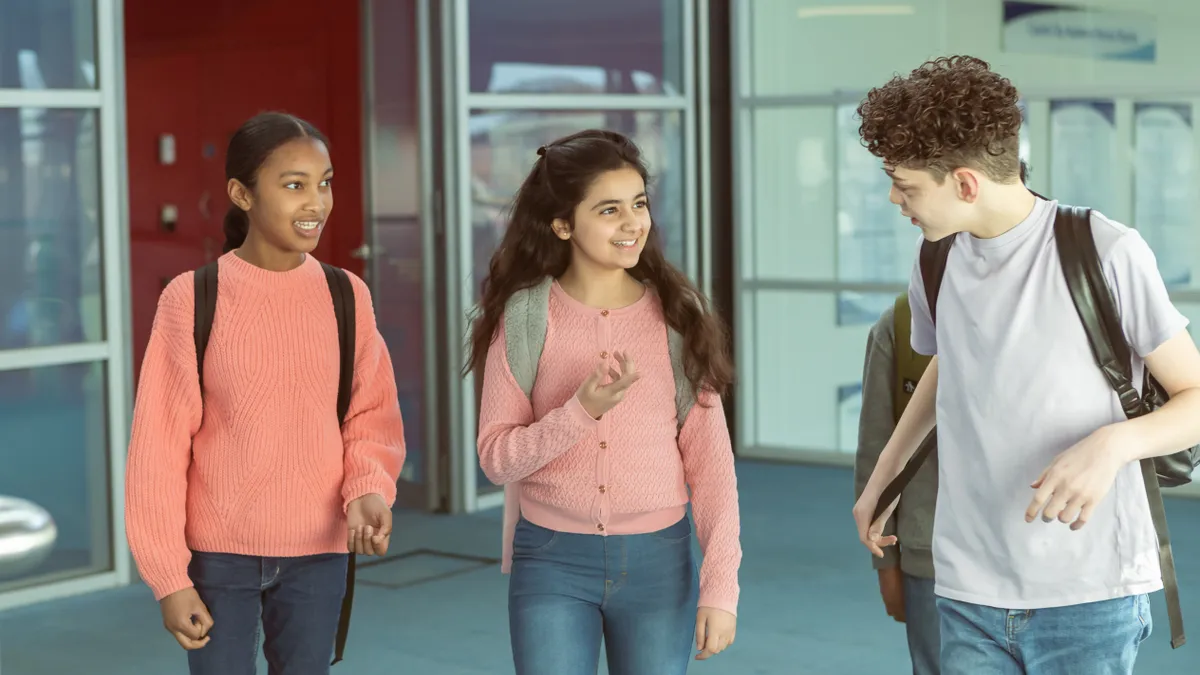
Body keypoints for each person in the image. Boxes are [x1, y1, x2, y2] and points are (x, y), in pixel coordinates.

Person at [851, 55, 1200, 674]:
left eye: (905, 186)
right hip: (968, 584)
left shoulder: (1106, 250)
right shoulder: (935, 259)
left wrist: (1113, 444)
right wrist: (886, 474)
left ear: (964, 183)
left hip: (1087, 591)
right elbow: (949, 366)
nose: (893, 198)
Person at [125, 111, 406, 675]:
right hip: (218, 558)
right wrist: (167, 578)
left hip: (319, 554)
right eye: (294, 185)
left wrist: (369, 490)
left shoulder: (346, 295)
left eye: (324, 182)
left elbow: (370, 417)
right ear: (241, 193)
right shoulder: (192, 298)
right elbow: (157, 448)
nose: (316, 203)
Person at [465, 129, 741, 675]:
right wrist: (580, 411)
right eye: (610, 210)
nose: (633, 222)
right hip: (550, 560)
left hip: (660, 561)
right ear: (563, 224)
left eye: (639, 205)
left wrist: (722, 586)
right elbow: (497, 459)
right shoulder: (524, 316)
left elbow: (712, 466)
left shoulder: (679, 316)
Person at [854, 293, 939, 675]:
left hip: (1040, 553)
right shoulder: (901, 325)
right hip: (930, 555)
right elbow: (876, 447)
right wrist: (886, 564)